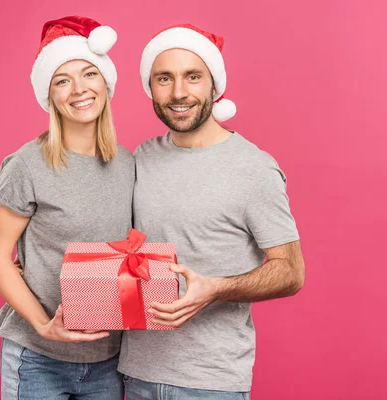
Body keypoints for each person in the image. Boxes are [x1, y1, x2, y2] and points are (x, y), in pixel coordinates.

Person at [119, 24, 305, 399]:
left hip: (210, 382)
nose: (178, 93)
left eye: (193, 77)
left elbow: (291, 271)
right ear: (150, 87)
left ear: (214, 85)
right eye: (164, 78)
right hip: (134, 374)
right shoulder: (142, 158)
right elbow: (122, 249)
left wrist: (215, 289)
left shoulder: (254, 168)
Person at [0, 16, 133, 400]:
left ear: (106, 83)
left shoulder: (128, 165)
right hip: (39, 357)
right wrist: (43, 324)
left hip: (108, 358)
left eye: (89, 74)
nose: (79, 89)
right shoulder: (27, 164)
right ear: (49, 95)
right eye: (62, 80)